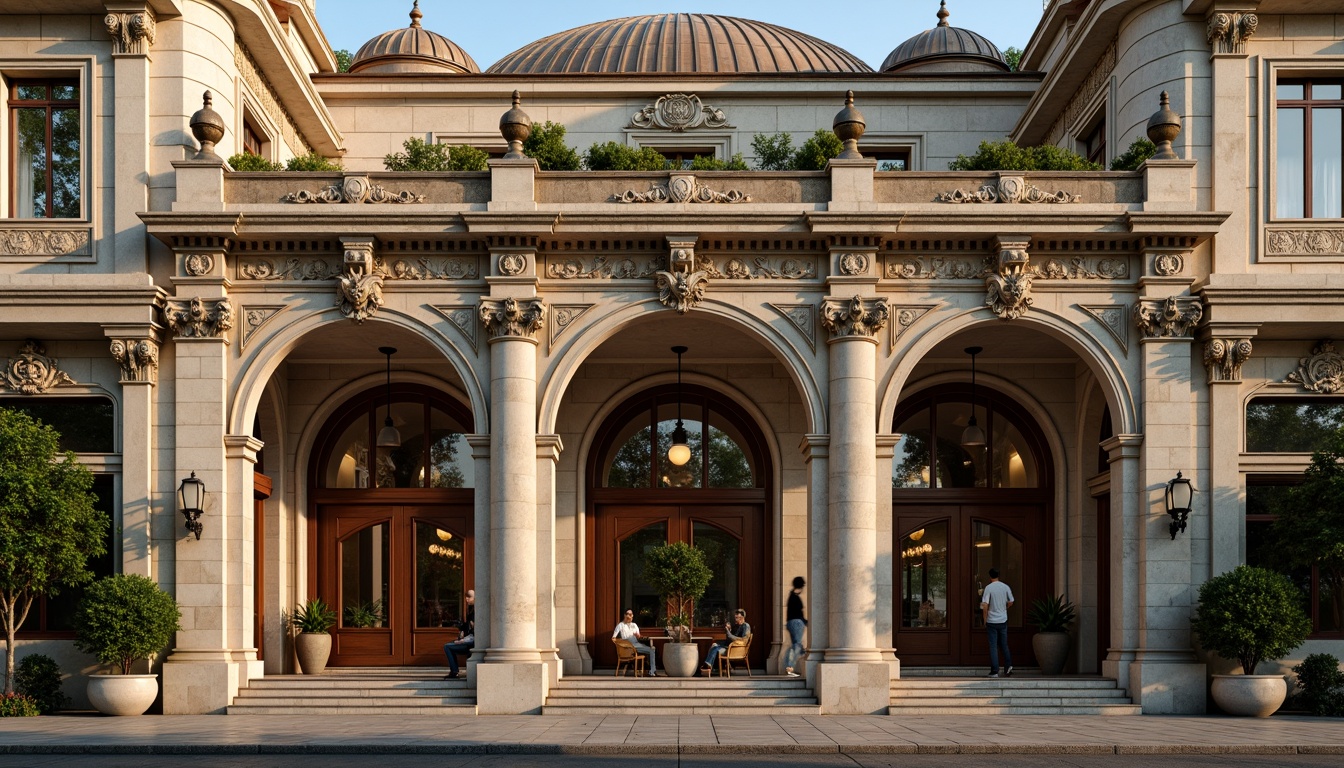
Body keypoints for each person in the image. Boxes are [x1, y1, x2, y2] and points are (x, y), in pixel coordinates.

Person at [980, 568, 1014, 678]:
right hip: (1003, 619)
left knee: (993, 646)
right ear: (998, 575)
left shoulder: (988, 588)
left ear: (990, 576)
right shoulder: (1005, 587)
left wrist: (984, 619)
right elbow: (1011, 601)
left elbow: (985, 605)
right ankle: (1008, 667)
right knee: (1004, 644)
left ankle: (995, 671)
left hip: (991, 620)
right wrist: (1005, 607)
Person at [702, 608, 750, 674]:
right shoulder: (737, 626)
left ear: (742, 617)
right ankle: (712, 667)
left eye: (737, 618)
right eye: (735, 617)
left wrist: (729, 633)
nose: (735, 619)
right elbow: (730, 637)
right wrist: (729, 629)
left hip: (735, 648)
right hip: (730, 645)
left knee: (715, 649)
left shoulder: (745, 626)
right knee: (714, 645)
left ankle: (707, 667)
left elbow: (744, 640)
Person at [612, 608, 658, 676]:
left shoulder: (634, 625)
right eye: (627, 614)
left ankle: (652, 671)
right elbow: (613, 638)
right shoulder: (620, 625)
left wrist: (638, 636)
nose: (628, 616)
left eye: (630, 614)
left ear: (632, 616)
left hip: (636, 644)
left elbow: (638, 636)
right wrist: (622, 645)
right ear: (624, 615)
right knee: (651, 649)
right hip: (627, 645)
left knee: (652, 649)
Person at [442, 589, 474, 679]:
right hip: (469, 641)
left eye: (469, 597)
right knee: (449, 645)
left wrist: (463, 640)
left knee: (447, 647)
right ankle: (454, 671)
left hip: (472, 643)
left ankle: (454, 671)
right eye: (466, 597)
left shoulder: (476, 612)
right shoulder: (471, 611)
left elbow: (475, 633)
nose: (467, 599)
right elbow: (468, 628)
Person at [783, 576, 807, 677]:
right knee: (797, 646)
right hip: (797, 623)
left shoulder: (792, 595)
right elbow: (799, 614)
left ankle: (792, 665)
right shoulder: (795, 597)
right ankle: (789, 667)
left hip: (791, 622)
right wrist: (805, 622)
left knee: (797, 646)